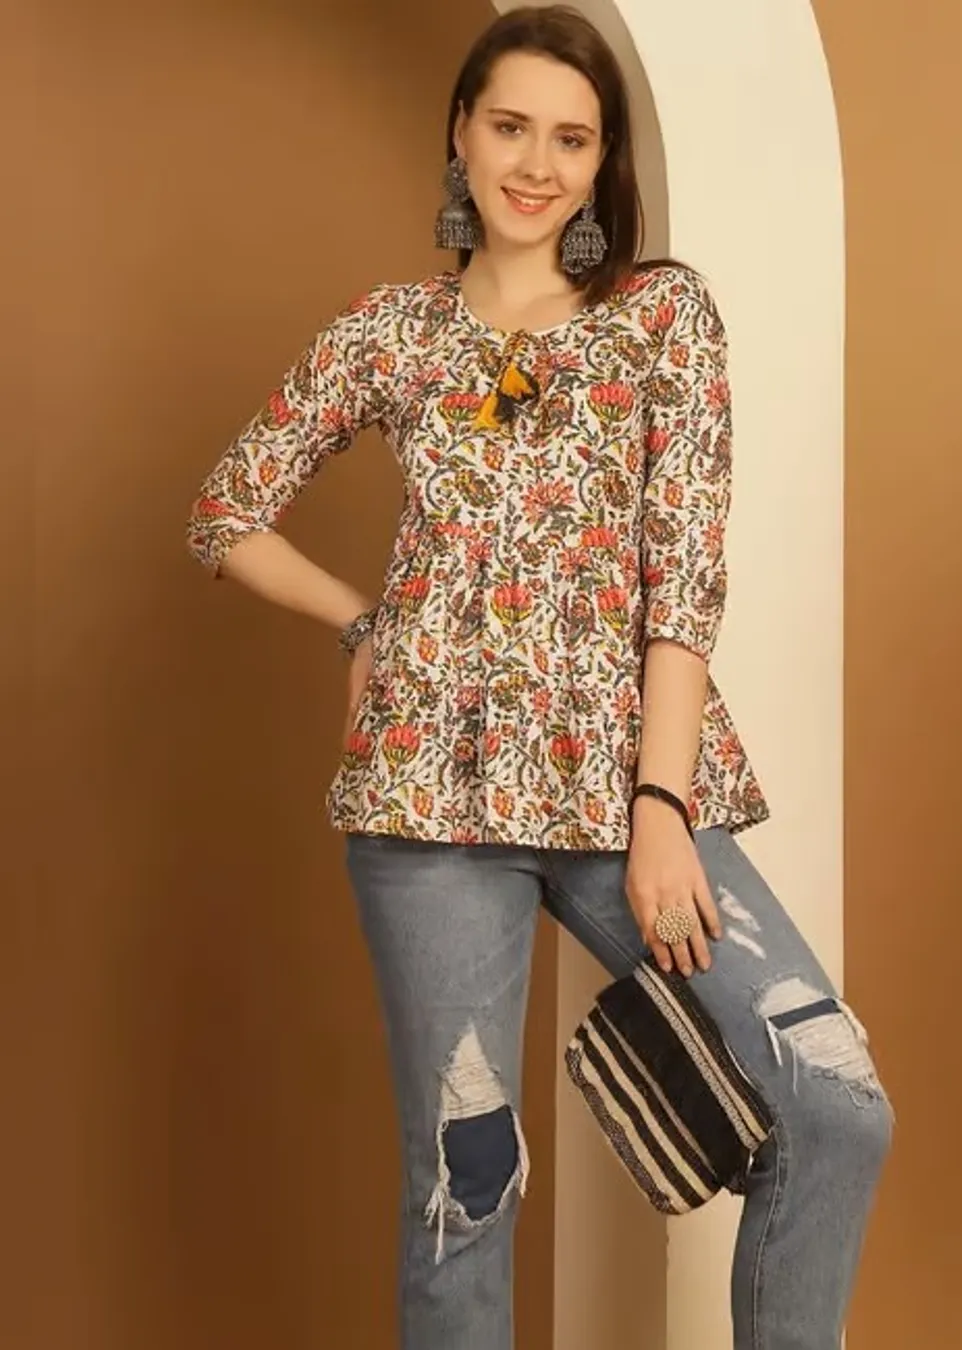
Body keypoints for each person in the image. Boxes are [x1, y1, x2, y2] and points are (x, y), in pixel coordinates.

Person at [186, 6, 892, 1348]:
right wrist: (364, 625)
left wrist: (661, 805)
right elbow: (226, 513)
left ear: (601, 158)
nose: (538, 164)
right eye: (511, 127)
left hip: (626, 787)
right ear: (460, 133)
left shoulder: (661, 318)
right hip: (427, 798)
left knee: (832, 1095)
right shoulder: (389, 332)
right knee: (468, 1184)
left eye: (572, 139)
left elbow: (684, 577)